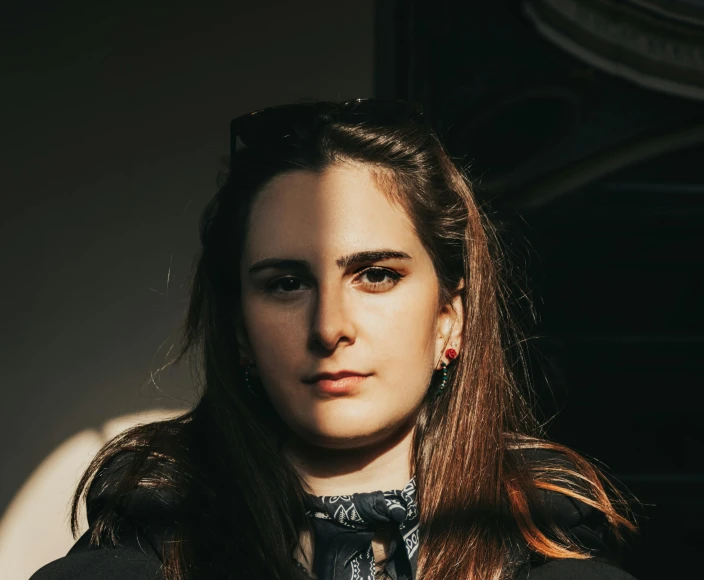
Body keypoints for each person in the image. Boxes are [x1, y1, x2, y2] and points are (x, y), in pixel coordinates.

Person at [30, 98, 638, 580]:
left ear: (449, 317)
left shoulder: (558, 561)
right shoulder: (135, 553)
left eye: (376, 275)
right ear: (240, 330)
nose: (329, 327)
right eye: (287, 283)